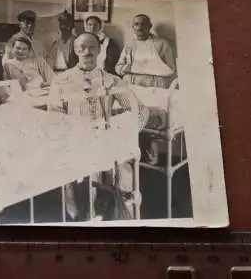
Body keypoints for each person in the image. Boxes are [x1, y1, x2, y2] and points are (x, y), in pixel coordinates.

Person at [48, 32, 149, 222]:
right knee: (81, 175)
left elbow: (141, 111)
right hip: (75, 141)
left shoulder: (112, 80)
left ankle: (121, 215)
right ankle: (84, 216)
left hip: (106, 141)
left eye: (92, 47)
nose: (87, 52)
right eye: (82, 48)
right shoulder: (61, 81)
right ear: (76, 51)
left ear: (99, 49)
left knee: (124, 173)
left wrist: (124, 136)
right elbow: (54, 118)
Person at [115, 14, 176, 88]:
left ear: (150, 26)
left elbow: (171, 69)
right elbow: (118, 67)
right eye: (136, 24)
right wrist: (127, 68)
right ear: (133, 27)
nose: (139, 28)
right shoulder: (129, 45)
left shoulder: (162, 44)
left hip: (154, 84)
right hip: (132, 83)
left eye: (143, 24)